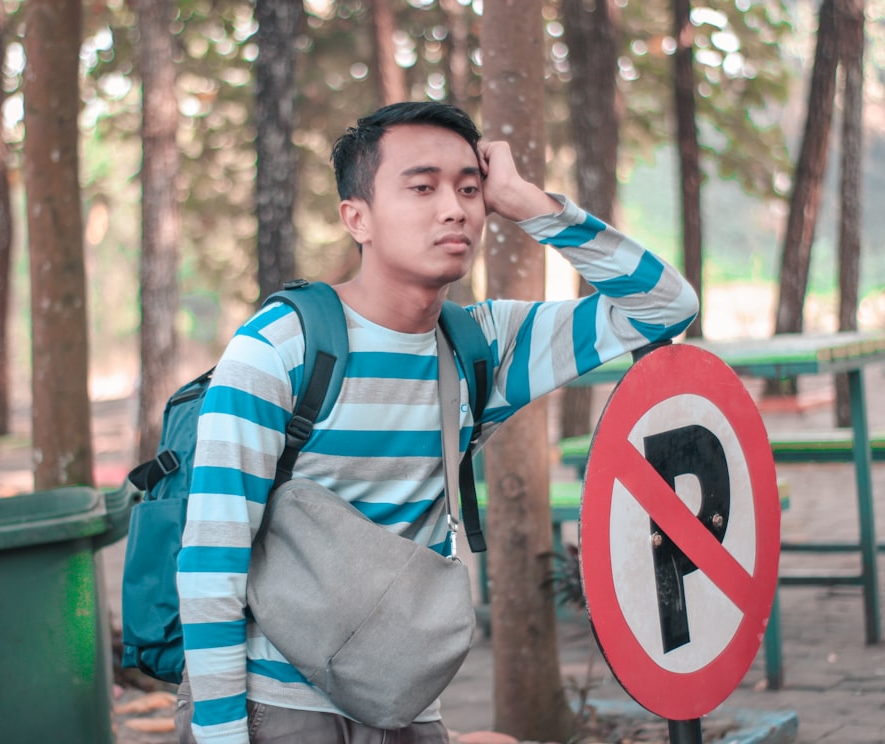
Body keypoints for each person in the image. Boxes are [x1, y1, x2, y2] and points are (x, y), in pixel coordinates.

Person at [175, 101, 699, 744]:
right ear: (357, 218)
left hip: (401, 698)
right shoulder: (280, 348)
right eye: (422, 187)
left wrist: (532, 204)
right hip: (277, 705)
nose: (454, 208)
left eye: (470, 189)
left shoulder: (482, 346)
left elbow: (666, 305)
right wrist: (221, 735)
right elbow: (211, 561)